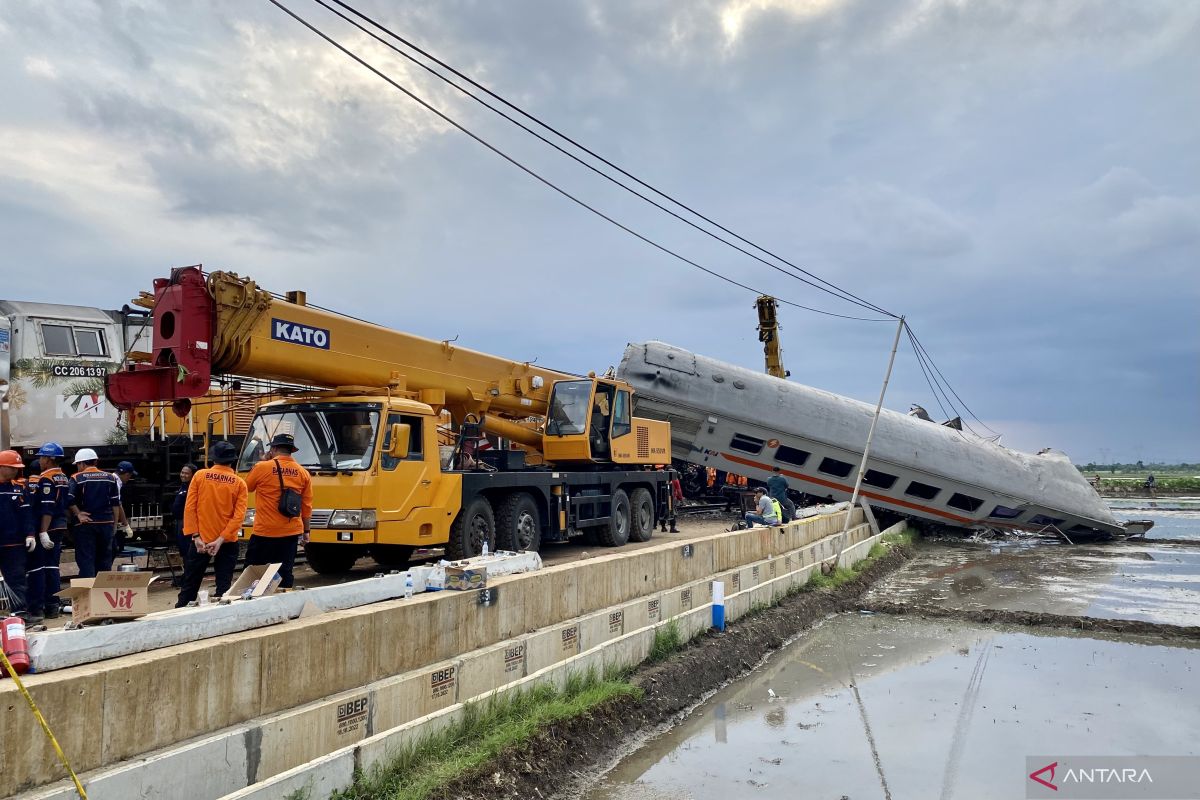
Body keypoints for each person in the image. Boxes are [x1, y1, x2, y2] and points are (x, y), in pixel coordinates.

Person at [176, 443, 248, 606]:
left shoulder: (200, 476)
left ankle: (179, 613)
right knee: (223, 587)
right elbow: (238, 517)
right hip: (227, 542)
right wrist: (220, 540)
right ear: (232, 461)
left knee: (189, 585)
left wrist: (196, 536)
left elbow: (190, 507)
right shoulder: (239, 483)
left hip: (201, 541)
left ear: (213, 458)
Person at [244, 433, 312, 589]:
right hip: (290, 532)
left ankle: (250, 600)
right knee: (284, 572)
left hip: (264, 532)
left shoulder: (263, 467)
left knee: (253, 571)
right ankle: (284, 602)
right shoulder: (303, 472)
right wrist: (306, 531)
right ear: (291, 451)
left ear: (273, 449)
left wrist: (264, 462)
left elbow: (247, 487)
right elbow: (306, 505)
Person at [24, 443, 70, 623]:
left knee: (38, 568)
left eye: (42, 457)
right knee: (52, 567)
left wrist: (42, 532)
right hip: (59, 526)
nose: (40, 460)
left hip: (48, 527)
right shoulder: (63, 477)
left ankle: (38, 608)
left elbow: (46, 508)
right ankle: (52, 606)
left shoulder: (46, 479)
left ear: (49, 459)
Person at [68, 448, 123, 578]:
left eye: (77, 464)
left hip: (86, 526)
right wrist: (114, 524)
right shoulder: (110, 478)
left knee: (86, 560)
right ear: (96, 461)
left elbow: (68, 499)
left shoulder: (77, 478)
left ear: (81, 463)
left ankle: (88, 595)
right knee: (105, 561)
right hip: (106, 524)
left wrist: (78, 514)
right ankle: (102, 594)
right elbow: (116, 503)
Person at [0, 450, 33, 618]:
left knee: (17, 578)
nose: (15, 471)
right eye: (12, 467)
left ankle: (19, 613)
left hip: (15, 544)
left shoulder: (20, 488)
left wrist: (31, 534)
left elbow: (27, 513)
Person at [171, 464, 198, 586]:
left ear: (193, 475)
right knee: (183, 550)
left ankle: (189, 577)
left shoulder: (193, 488)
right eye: (182, 472)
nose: (183, 475)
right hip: (179, 522)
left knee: (188, 550)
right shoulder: (183, 487)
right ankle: (186, 575)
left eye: (186, 473)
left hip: (186, 522)